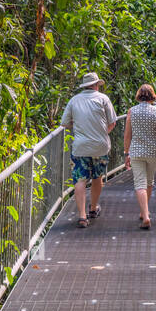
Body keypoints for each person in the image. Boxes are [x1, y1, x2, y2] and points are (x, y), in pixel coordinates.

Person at [60, 72, 116, 228]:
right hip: (100, 146)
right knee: (98, 177)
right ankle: (93, 208)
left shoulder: (74, 100)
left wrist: (78, 126)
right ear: (97, 85)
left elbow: (64, 123)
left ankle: (82, 217)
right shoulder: (103, 99)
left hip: (80, 147)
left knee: (80, 179)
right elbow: (112, 123)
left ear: (84, 86)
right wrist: (101, 133)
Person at [123, 84, 156, 230]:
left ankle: (145, 215)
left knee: (139, 183)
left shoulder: (131, 111)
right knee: (149, 181)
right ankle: (144, 212)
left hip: (136, 152)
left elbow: (127, 135)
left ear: (138, 95)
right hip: (153, 151)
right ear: (152, 96)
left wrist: (126, 153)